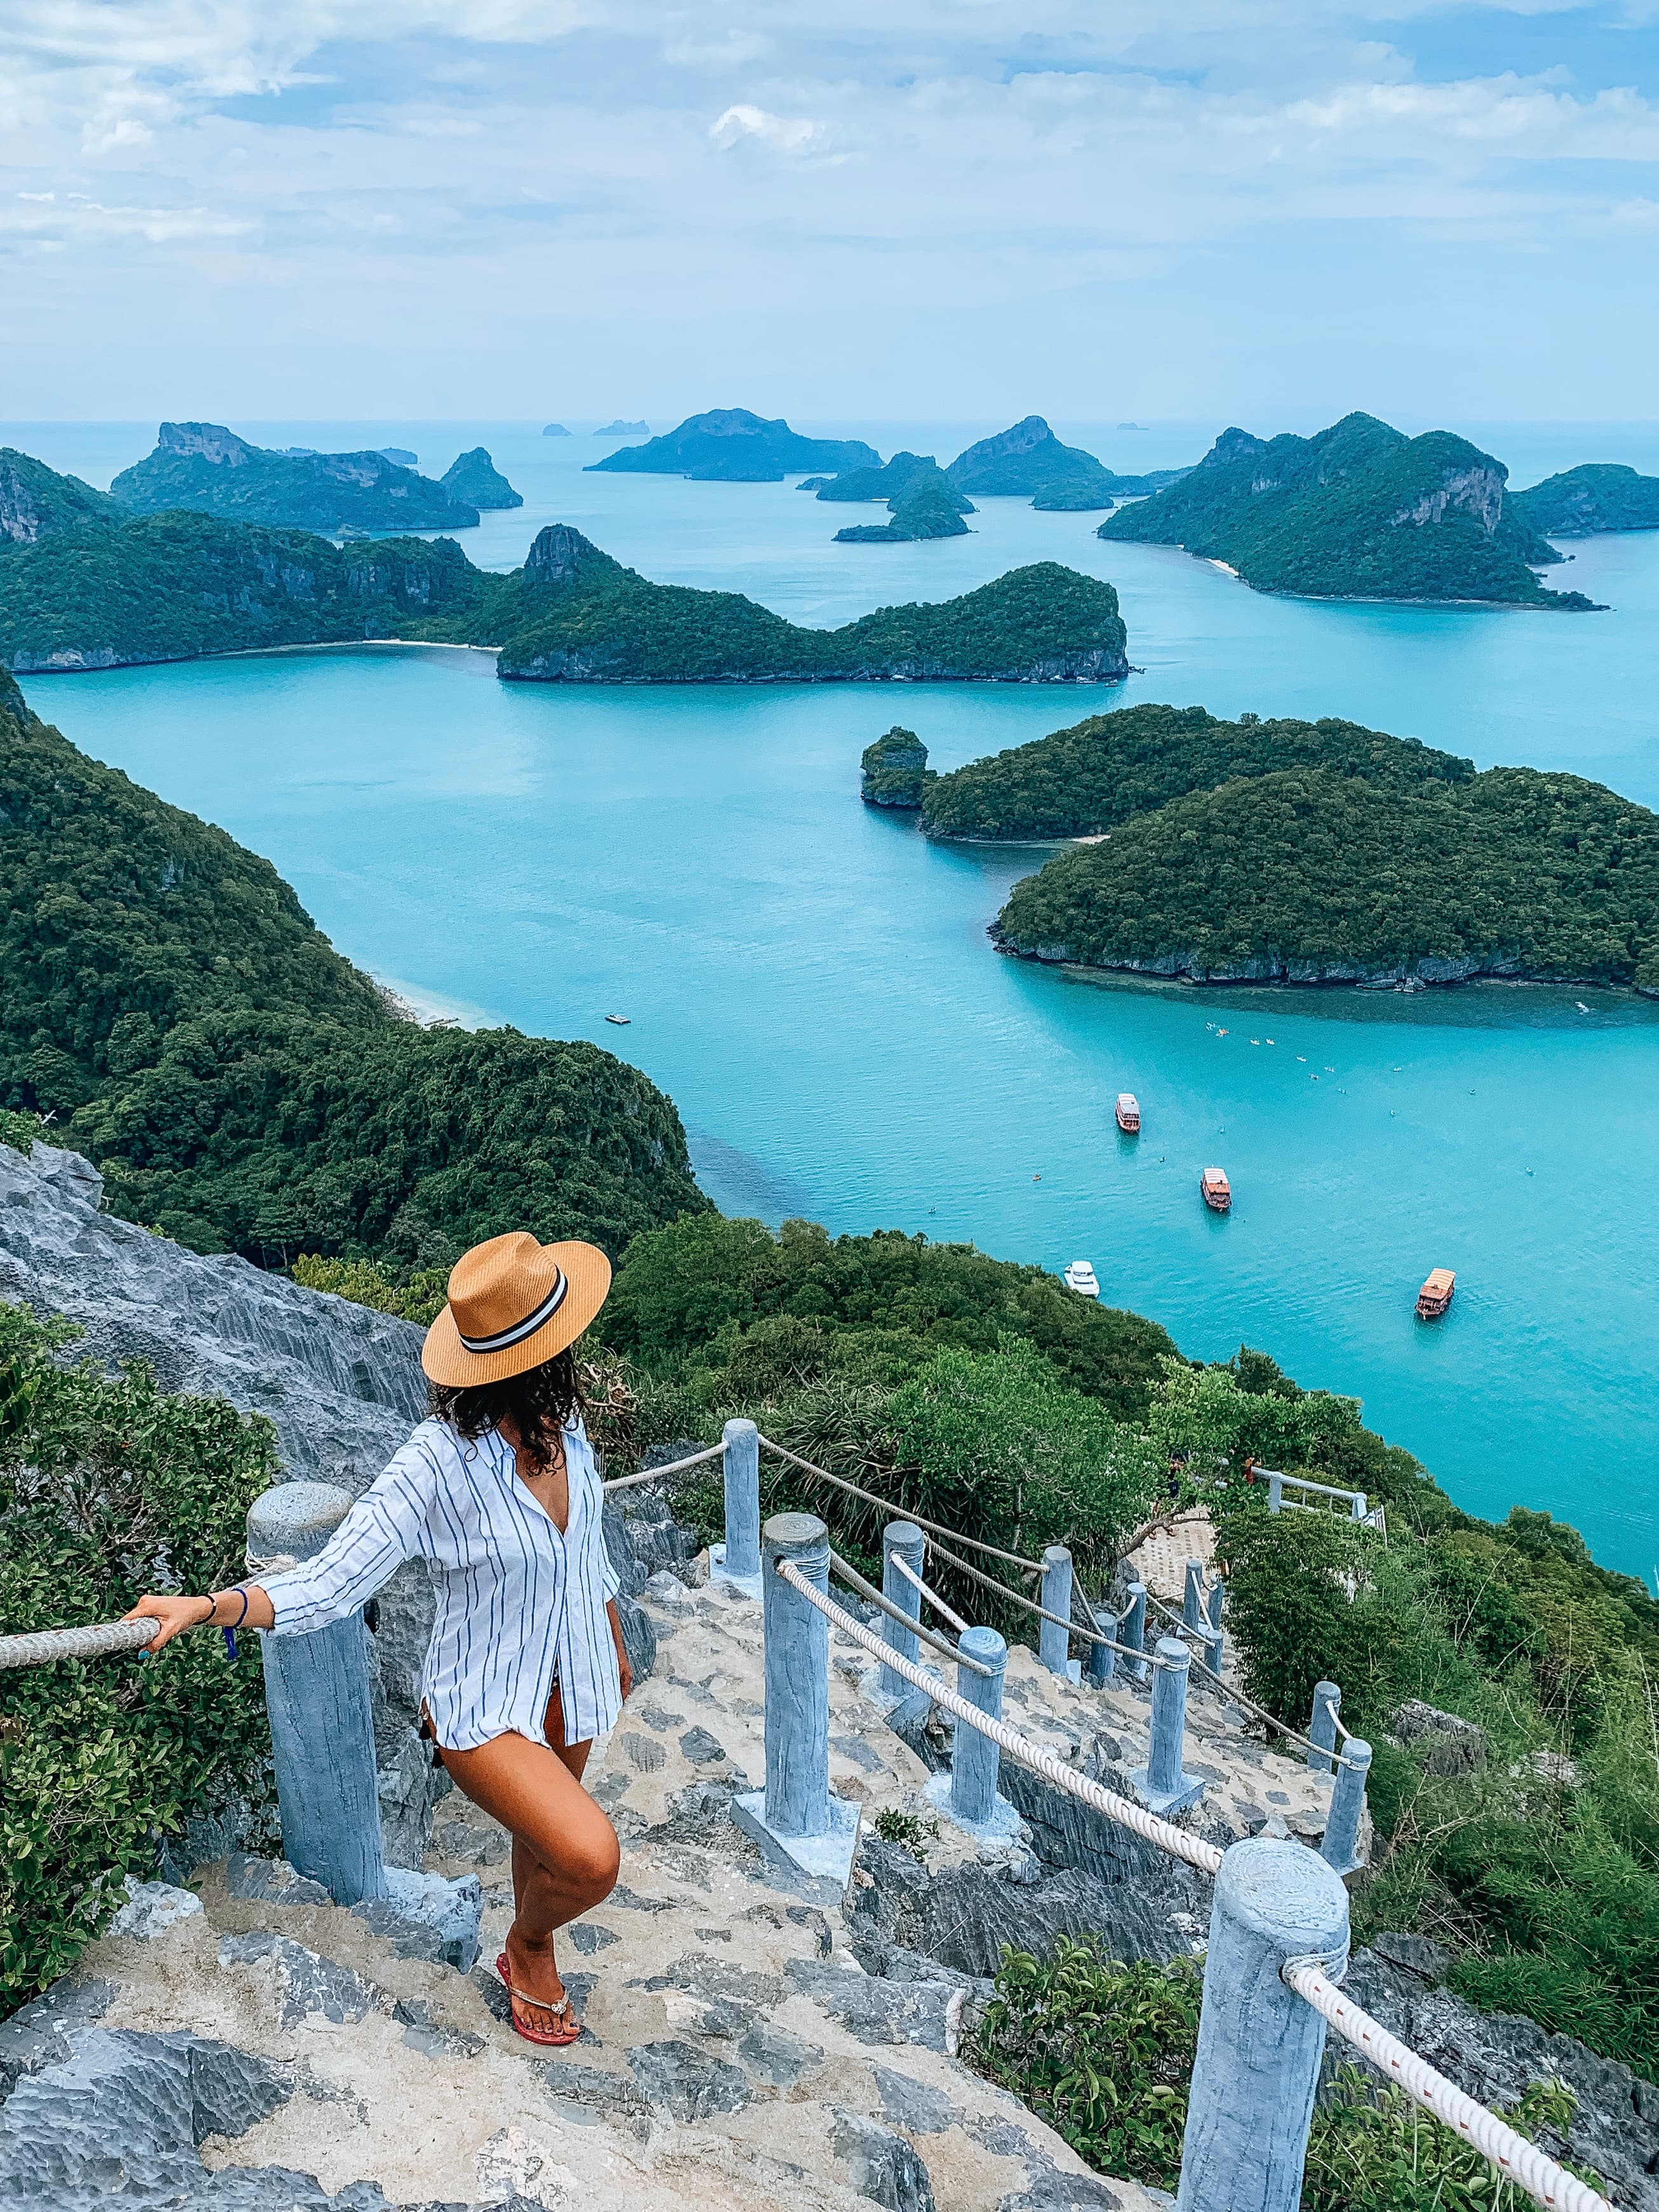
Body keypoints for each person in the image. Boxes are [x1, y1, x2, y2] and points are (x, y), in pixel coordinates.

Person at [126, 1231, 630, 2048]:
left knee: (540, 1840)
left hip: (572, 1675)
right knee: (587, 1856)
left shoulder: (565, 1430)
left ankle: (532, 1943)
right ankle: (527, 1943)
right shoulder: (437, 1460)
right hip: (485, 1700)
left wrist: (609, 1641)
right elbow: (330, 1581)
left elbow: (590, 1554)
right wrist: (211, 1604)